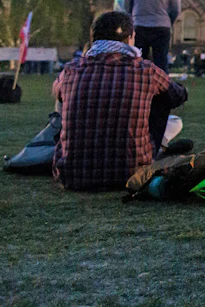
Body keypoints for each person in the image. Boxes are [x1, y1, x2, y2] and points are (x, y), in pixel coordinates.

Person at [51, 11, 188, 191]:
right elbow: (178, 96)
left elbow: (57, 96)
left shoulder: (70, 70)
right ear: (130, 38)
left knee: (64, 94)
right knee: (163, 99)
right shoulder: (146, 70)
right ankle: (152, 149)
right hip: (132, 174)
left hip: (73, 175)